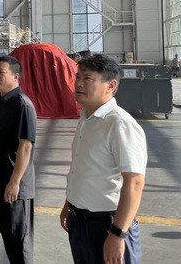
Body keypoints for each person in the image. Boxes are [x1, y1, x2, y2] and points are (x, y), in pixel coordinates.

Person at [60, 54, 148, 264]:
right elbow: (83, 168)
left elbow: (135, 183)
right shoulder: (86, 119)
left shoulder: (119, 124)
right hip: (80, 221)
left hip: (109, 223)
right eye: (78, 77)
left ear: (111, 85)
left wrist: (118, 234)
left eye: (87, 78)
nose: (79, 84)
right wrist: (69, 203)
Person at [0, 55, 37, 264]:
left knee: (19, 241)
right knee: (9, 236)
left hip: (14, 187)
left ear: (15, 76)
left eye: (1, 73)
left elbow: (25, 146)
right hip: (1, 183)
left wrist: (15, 182)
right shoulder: (2, 102)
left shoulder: (22, 105)